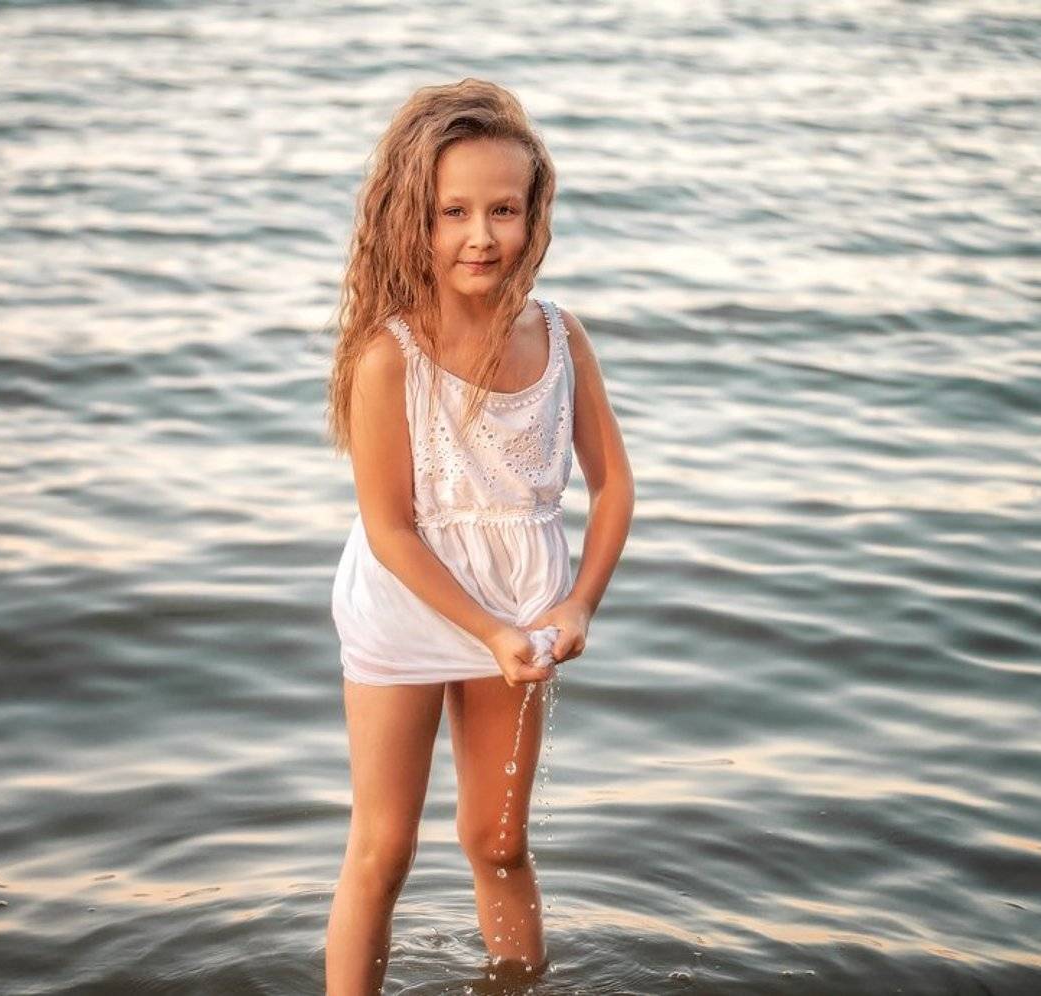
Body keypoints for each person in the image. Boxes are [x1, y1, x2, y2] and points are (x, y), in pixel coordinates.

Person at [322, 77, 634, 996]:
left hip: (523, 607)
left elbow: (614, 487)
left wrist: (578, 605)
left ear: (534, 216)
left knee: (498, 840)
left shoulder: (561, 337)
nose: (481, 236)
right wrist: (487, 631)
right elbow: (390, 530)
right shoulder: (388, 356)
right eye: (453, 212)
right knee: (384, 849)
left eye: (503, 209)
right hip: (406, 605)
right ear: (411, 217)